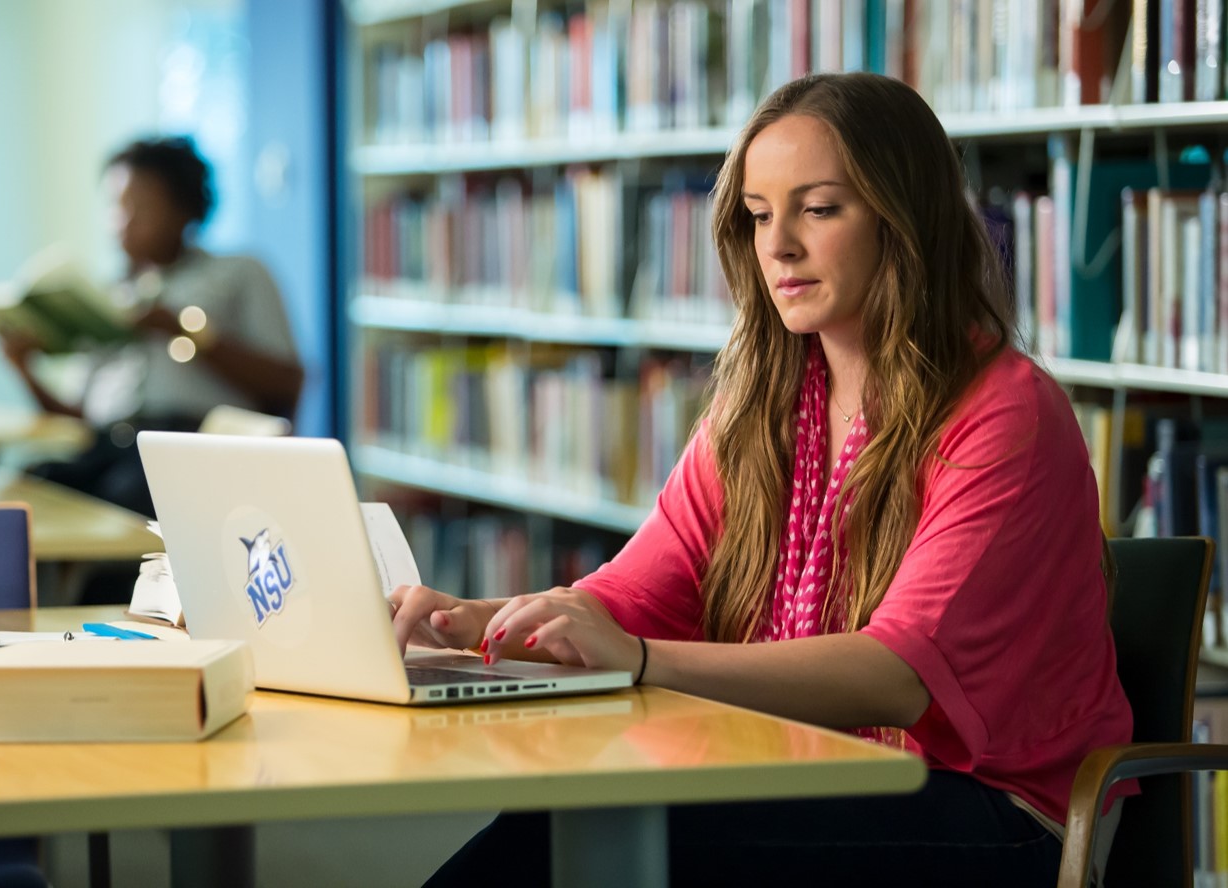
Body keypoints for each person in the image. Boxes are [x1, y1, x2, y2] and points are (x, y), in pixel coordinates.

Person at [391, 72, 1131, 887]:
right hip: (819, 769)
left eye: (817, 209)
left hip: (1002, 816)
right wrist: (472, 626)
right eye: (756, 215)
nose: (777, 245)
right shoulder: (761, 407)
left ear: (903, 219)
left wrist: (638, 660)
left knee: (617, 826)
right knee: (578, 817)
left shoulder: (1005, 413)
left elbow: (896, 675)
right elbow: (633, 595)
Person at [0, 136, 303, 516]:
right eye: (116, 206)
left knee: (127, 496)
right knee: (30, 487)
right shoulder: (107, 295)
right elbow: (76, 421)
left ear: (184, 208)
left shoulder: (238, 274)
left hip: (191, 448)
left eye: (140, 206)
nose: (123, 221)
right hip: (109, 446)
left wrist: (181, 329)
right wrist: (22, 368)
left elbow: (287, 385)